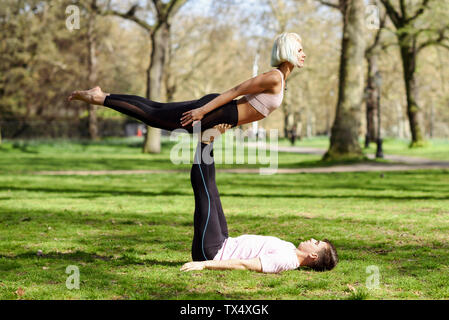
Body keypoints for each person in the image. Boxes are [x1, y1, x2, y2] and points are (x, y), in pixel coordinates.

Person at [67, 33, 306, 135]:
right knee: (153, 115)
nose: (303, 54)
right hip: (215, 111)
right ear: (288, 51)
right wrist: (203, 111)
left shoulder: (281, 78)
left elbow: (247, 105)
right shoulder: (274, 77)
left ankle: (102, 96)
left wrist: (226, 124)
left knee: (156, 109)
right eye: (300, 49)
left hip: (221, 115)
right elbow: (236, 91)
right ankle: (101, 98)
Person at [183, 131, 338, 274]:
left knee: (204, 191)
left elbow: (245, 265)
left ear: (313, 256)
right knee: (211, 189)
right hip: (224, 242)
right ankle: (209, 135)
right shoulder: (290, 249)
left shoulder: (285, 260)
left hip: (213, 252)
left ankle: (205, 137)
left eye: (316, 243)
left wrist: (205, 264)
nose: (312, 239)